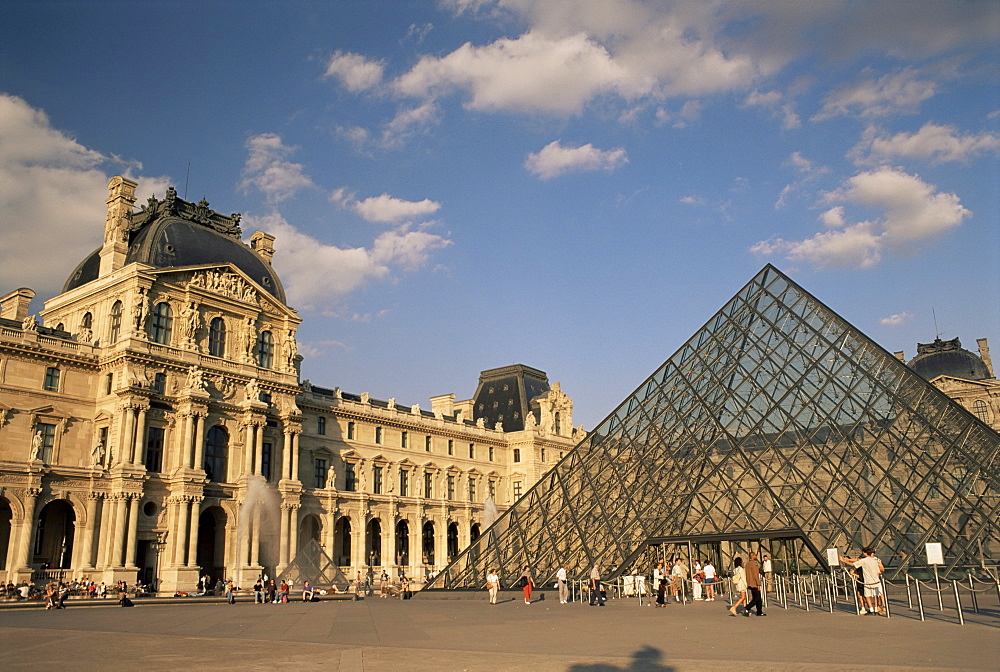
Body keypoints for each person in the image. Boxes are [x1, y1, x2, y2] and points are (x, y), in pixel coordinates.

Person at [843, 547, 886, 615]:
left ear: (865, 553)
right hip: (877, 580)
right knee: (877, 594)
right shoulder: (877, 560)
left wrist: (844, 561)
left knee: (867, 595)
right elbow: (882, 569)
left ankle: (871, 610)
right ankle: (878, 608)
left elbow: (853, 564)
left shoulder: (864, 560)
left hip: (868, 580)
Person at [744, 552, 765, 616]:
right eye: (755, 555)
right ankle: (747, 607)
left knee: (757, 598)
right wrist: (758, 584)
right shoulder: (754, 564)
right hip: (754, 583)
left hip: (750, 582)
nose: (756, 556)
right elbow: (756, 574)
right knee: (757, 598)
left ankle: (759, 611)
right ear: (752, 556)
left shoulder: (747, 564)